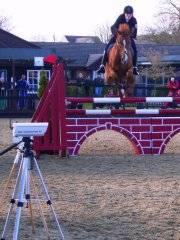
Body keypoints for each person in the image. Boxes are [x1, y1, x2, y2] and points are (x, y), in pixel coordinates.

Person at [97, 5, 139, 75]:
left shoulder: (134, 20)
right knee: (107, 47)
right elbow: (113, 26)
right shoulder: (121, 17)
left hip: (128, 37)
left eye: (130, 14)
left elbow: (135, 30)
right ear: (124, 13)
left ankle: (134, 67)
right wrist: (117, 34)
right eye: (127, 14)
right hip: (118, 36)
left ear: (132, 14)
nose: (128, 16)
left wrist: (133, 36)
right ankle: (102, 65)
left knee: (135, 50)